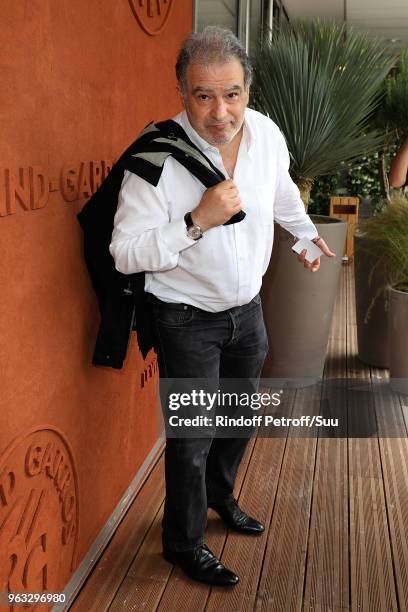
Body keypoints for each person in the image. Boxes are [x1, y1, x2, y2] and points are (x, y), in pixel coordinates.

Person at [109, 26, 335, 587]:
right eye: (203, 95)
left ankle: (219, 499)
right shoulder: (156, 160)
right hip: (186, 317)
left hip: (247, 311)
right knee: (192, 438)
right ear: (182, 93)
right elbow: (124, 252)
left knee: (236, 421)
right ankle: (182, 544)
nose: (219, 111)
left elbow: (280, 191)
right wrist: (195, 222)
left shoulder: (265, 134)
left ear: (248, 91)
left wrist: (304, 237)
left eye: (231, 93)